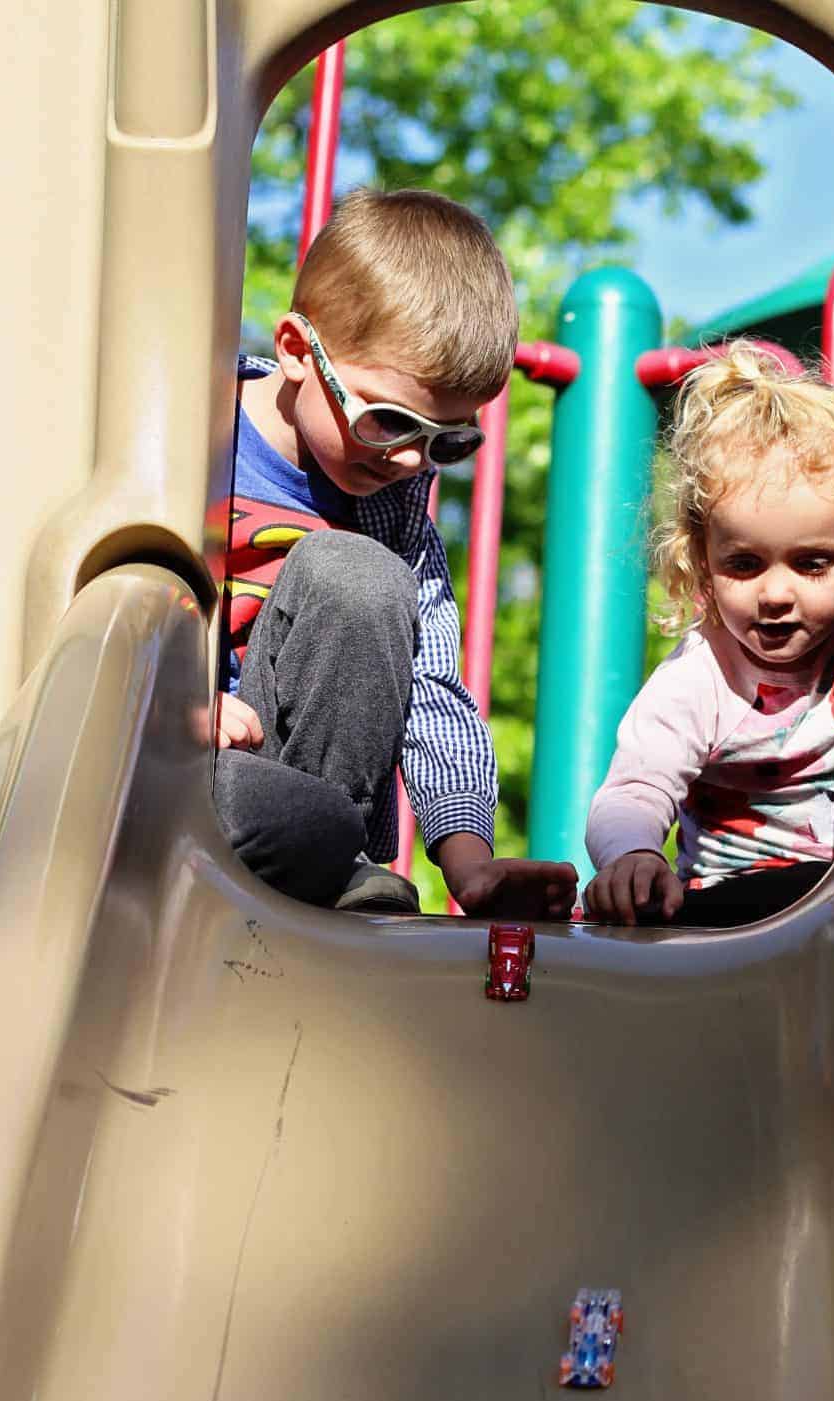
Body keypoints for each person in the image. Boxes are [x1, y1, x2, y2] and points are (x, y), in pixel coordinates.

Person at [214, 186, 577, 919]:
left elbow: (431, 683)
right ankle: (319, 854)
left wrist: (470, 864)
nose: (411, 460)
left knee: (361, 574)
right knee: (346, 569)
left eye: (447, 440)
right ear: (294, 351)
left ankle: (326, 864)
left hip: (312, 809)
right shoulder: (193, 433)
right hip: (186, 767)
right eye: (388, 420)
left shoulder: (392, 506)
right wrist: (174, 708)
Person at [584, 341, 834, 928]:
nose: (775, 594)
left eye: (813, 563)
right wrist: (634, 854)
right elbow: (632, 789)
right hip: (733, 913)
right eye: (745, 564)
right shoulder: (704, 674)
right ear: (703, 560)